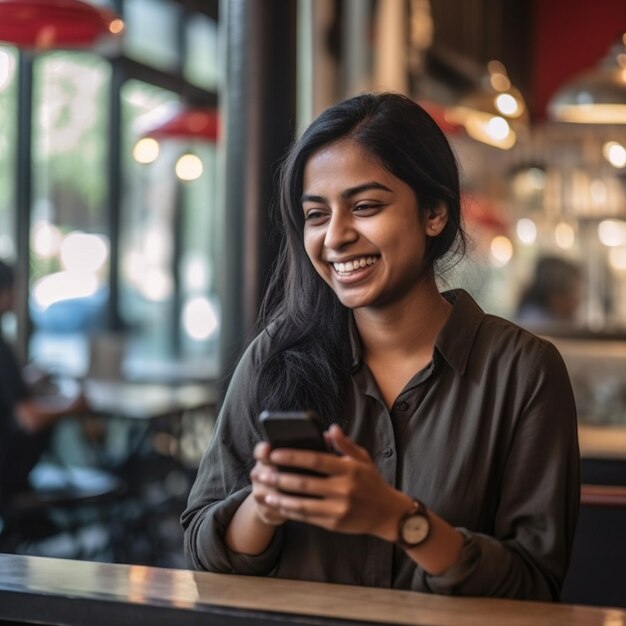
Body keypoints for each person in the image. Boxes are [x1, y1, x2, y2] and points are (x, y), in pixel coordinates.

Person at [182, 93, 579, 600]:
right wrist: (265, 504)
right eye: (316, 215)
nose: (335, 237)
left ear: (435, 212)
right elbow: (200, 549)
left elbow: (534, 585)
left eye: (366, 207)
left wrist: (399, 519)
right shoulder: (274, 356)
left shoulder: (524, 372)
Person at [0, 261, 88, 512]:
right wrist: (72, 405)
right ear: (5, 294)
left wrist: (25, 378)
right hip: (8, 475)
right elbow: (28, 418)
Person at [515, 255, 583, 329]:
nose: (577, 301)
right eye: (573, 293)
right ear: (555, 295)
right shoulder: (538, 323)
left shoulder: (530, 314)